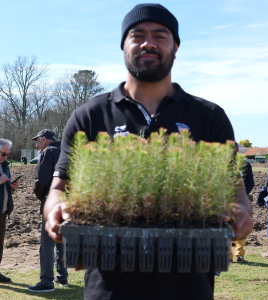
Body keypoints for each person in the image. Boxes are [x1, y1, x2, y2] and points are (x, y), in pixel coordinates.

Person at [44, 4, 253, 300]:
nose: (148, 42)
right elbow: (58, 188)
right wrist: (55, 209)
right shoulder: (90, 115)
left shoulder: (209, 116)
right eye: (137, 34)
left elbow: (237, 194)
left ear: (176, 47)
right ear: (124, 45)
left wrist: (242, 214)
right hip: (107, 290)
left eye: (160, 35)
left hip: (190, 288)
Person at [28, 130, 68, 293]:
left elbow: (42, 181)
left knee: (46, 242)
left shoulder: (47, 153)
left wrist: (40, 197)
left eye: (37, 141)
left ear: (45, 139)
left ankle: (46, 281)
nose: (37, 145)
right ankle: (62, 276)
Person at [230, 142, 254, 263]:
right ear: (238, 149)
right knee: (242, 225)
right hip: (242, 202)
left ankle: (228, 256)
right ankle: (239, 255)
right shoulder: (246, 164)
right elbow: (250, 183)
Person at [0, 138, 19, 282]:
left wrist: (12, 188)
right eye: (3, 154)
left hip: (3, 211)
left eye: (8, 154)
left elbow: (7, 190)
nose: (6, 157)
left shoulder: (5, 165)